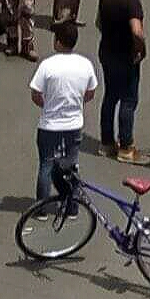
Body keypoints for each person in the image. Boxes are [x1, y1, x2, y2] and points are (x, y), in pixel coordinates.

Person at [29, 22, 97, 205]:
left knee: (46, 165)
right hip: (74, 125)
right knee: (71, 166)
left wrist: (47, 105)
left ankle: (41, 208)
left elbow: (35, 94)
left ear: (58, 42)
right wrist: (77, 103)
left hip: (49, 125)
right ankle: (71, 205)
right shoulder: (85, 64)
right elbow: (90, 93)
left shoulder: (47, 65)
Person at [96, 0, 150, 165]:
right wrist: (141, 48)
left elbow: (98, 23)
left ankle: (106, 143)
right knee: (129, 99)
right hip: (126, 56)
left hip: (107, 52)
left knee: (110, 96)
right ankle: (126, 147)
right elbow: (137, 31)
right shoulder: (132, 1)